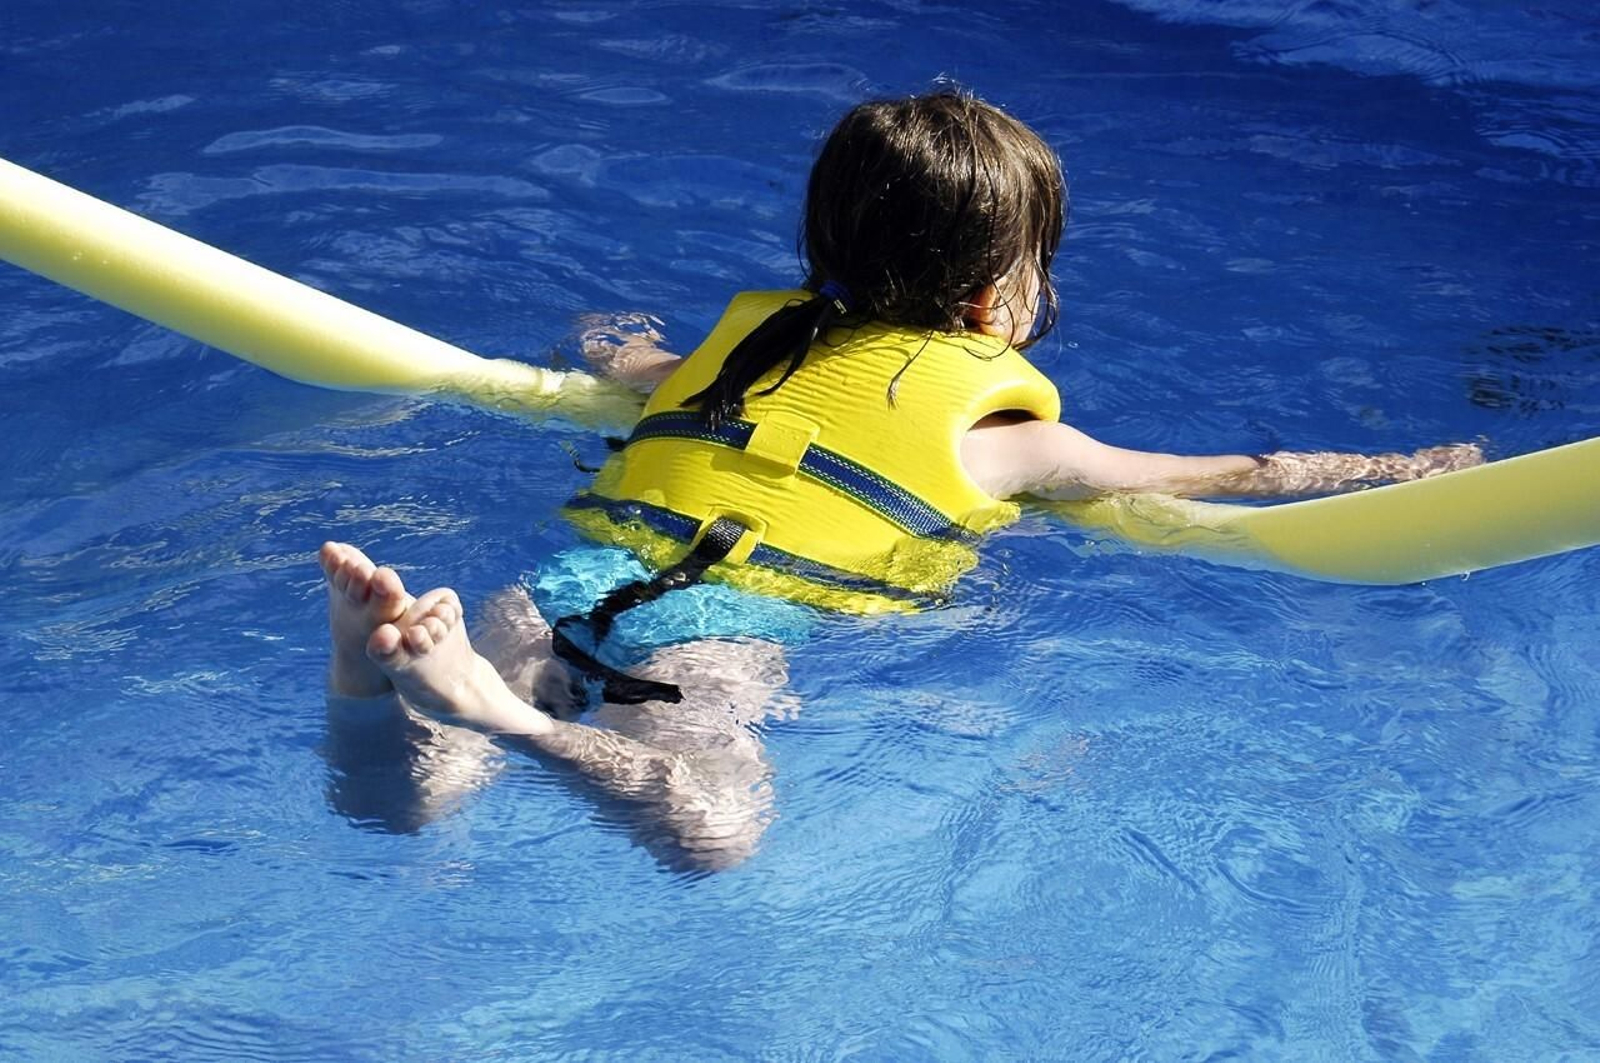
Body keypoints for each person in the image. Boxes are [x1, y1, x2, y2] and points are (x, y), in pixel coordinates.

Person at [320, 91, 1481, 868]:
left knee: (405, 811)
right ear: (995, 300)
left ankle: (384, 675)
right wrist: (1401, 469)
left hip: (574, 572)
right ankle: (502, 717)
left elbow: (610, 351)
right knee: (714, 831)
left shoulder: (742, 347)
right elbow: (1238, 473)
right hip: (722, 631)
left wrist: (602, 317)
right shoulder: (1013, 439)